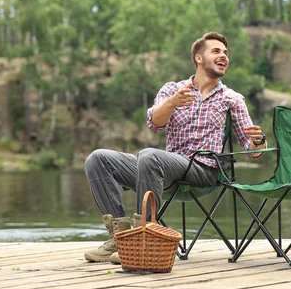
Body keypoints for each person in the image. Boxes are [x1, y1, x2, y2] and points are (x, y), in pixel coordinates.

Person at [83, 31, 268, 263]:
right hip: (166, 167)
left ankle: (144, 239)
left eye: (226, 53)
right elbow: (155, 123)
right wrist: (172, 103)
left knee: (150, 156)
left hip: (203, 170)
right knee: (97, 159)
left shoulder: (232, 98)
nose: (224, 56)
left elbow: (253, 150)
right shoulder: (173, 90)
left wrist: (259, 140)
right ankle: (121, 239)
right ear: (199, 58)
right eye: (216, 51)